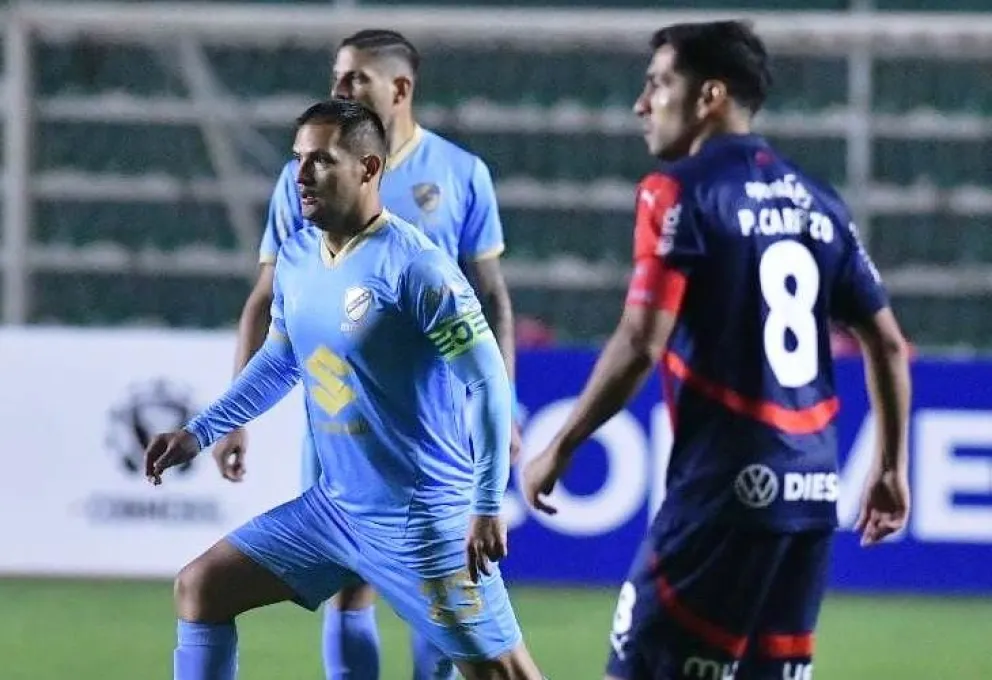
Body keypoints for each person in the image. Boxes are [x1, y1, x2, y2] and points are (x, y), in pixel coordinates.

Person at [522, 21, 912, 680]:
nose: (641, 105)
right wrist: (891, 467)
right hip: (813, 494)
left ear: (710, 96)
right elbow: (890, 344)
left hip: (724, 492)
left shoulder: (677, 191)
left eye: (657, 84)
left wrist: (560, 445)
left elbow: (640, 342)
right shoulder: (819, 202)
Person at [145, 99, 544, 680]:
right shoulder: (297, 257)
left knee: (507, 674)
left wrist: (486, 504)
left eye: (322, 160)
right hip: (335, 511)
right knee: (202, 586)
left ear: (368, 168)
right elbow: (281, 362)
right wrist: (198, 433)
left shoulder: (418, 268)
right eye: (298, 158)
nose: (301, 175)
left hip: (420, 521)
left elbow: (485, 382)